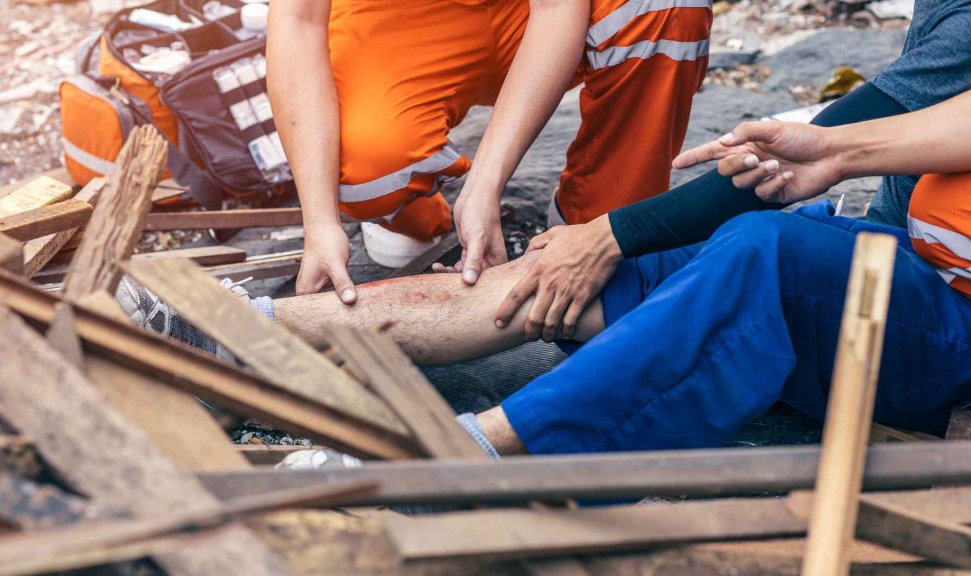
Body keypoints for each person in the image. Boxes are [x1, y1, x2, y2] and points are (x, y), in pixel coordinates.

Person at [121, 88, 971, 459]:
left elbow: (883, 120)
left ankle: (479, 450)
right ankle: (241, 335)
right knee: (601, 269)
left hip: (954, 327)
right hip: (908, 268)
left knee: (767, 252)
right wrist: (609, 240)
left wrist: (833, 149)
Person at [495, 0, 971, 344]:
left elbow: (828, 142)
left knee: (750, 249)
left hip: (931, 287)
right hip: (895, 243)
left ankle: (490, 446)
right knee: (616, 280)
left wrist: (607, 236)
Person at [267, 0, 713, 304]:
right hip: (393, 18)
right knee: (360, 166)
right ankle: (415, 217)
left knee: (665, 7)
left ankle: (595, 226)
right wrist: (320, 223)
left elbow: (557, 7)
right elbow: (298, 22)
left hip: (526, 12)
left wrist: (486, 185)